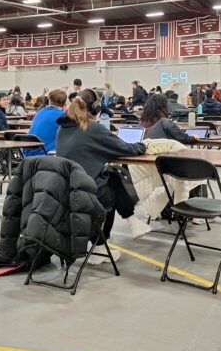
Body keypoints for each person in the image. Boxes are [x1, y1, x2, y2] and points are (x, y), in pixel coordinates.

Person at [55, 89, 151, 261]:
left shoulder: (63, 128)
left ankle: (133, 222)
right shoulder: (93, 129)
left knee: (112, 177)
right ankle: (99, 245)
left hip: (64, 189)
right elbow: (126, 149)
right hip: (85, 192)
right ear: (97, 108)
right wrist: (143, 146)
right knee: (111, 191)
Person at [25, 89, 67, 155]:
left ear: (49, 100)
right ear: (64, 103)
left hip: (28, 154)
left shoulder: (40, 112)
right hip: (45, 155)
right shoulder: (63, 116)